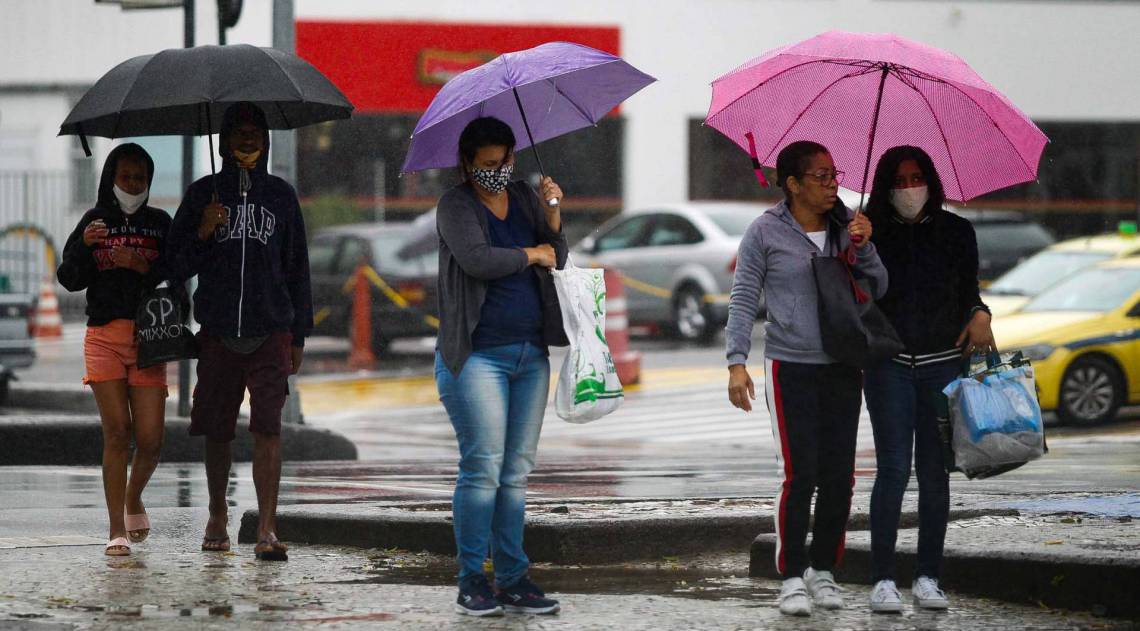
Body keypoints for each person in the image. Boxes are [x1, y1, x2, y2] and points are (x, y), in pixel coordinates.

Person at [725, 140, 888, 616]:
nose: (832, 182)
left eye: (834, 173)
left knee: (841, 475)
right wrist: (736, 362)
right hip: (789, 364)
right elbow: (742, 297)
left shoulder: (847, 229)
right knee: (801, 474)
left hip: (843, 361)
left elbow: (879, 287)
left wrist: (866, 246)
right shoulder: (764, 232)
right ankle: (792, 575)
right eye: (820, 176)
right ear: (793, 184)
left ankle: (824, 571)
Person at [166, 102, 312, 561]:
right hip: (219, 329)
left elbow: (297, 269)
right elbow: (175, 264)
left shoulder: (281, 197)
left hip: (271, 329)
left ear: (265, 140)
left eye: (255, 133)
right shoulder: (202, 195)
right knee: (218, 428)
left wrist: (300, 334)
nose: (248, 140)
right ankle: (216, 514)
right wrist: (204, 232)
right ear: (226, 141)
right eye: (239, 133)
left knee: (269, 427)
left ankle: (267, 527)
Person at [434, 116, 567, 617]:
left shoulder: (527, 197)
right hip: (476, 356)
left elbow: (556, 256)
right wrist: (529, 252)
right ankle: (472, 579)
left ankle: (513, 578)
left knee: (515, 474)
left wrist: (551, 219)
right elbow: (476, 259)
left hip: (530, 353)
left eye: (504, 161)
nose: (497, 171)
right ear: (468, 164)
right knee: (483, 468)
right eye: (487, 164)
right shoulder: (455, 205)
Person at [862, 145, 995, 612]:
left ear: (931, 181)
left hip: (943, 366)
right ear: (883, 186)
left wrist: (981, 313)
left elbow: (970, 293)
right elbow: (855, 295)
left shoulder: (957, 231)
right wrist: (856, 243)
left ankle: (928, 576)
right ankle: (881, 579)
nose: (908, 188)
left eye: (915, 177)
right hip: (889, 367)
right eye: (897, 181)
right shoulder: (868, 232)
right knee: (893, 471)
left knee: (935, 475)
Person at [57, 143, 172, 556]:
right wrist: (86, 246)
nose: (133, 185)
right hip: (103, 335)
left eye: (140, 178)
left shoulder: (160, 224)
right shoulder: (94, 221)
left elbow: (177, 272)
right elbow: (69, 278)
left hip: (149, 337)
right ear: (111, 178)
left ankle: (133, 496)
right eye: (126, 177)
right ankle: (115, 529)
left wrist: (142, 266)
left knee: (152, 438)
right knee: (117, 433)